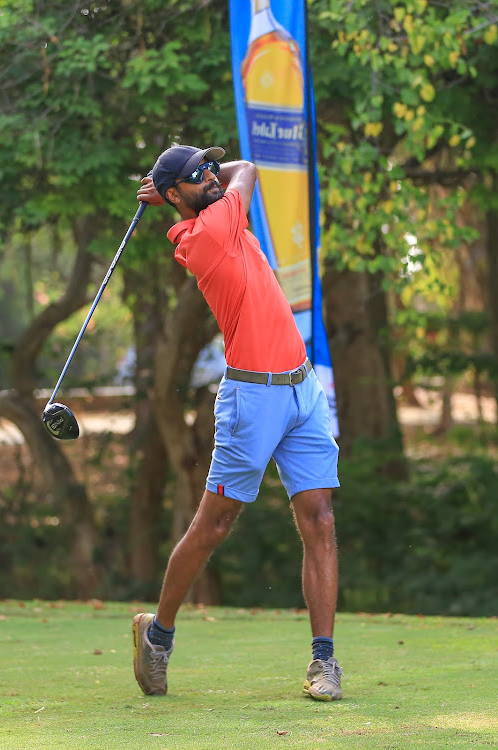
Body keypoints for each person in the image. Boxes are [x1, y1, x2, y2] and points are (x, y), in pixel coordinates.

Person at [133, 144, 343, 702]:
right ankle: (158, 636)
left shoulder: (213, 212)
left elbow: (219, 179)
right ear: (176, 196)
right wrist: (187, 188)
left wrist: (178, 185)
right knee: (215, 526)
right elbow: (247, 169)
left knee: (319, 518)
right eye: (194, 175)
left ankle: (324, 662)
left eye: (208, 167)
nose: (209, 175)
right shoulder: (207, 235)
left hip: (302, 389)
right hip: (252, 400)